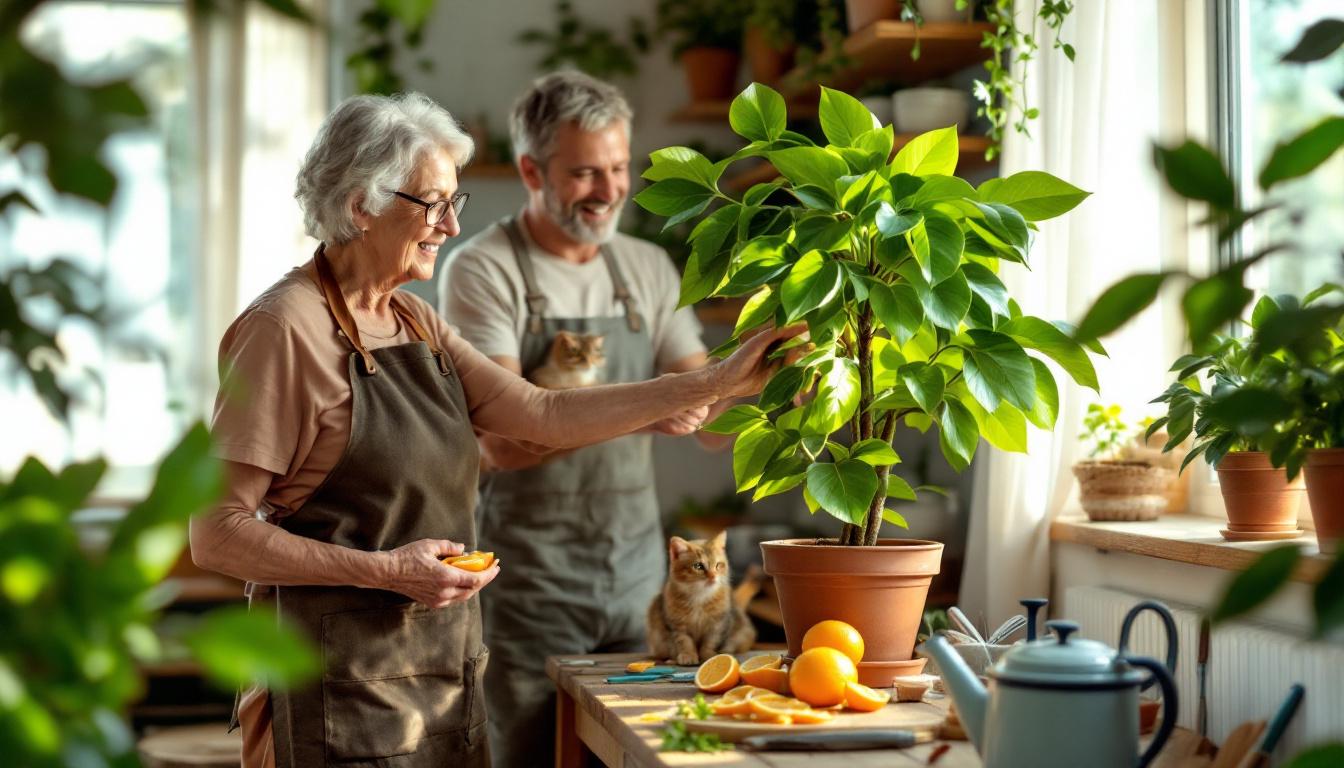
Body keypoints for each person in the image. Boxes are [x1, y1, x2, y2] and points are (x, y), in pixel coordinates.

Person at [188, 91, 796, 768]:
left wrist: (714, 383)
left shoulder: (416, 322)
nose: (450, 226)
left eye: (456, 204)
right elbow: (215, 532)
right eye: (433, 203)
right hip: (333, 693)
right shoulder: (283, 329)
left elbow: (540, 414)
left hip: (435, 677)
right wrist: (384, 572)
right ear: (362, 205)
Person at [437, 71, 733, 768]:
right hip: (530, 590)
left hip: (643, 588)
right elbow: (507, 439)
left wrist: (778, 383)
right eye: (585, 173)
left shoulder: (648, 268)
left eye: (620, 167)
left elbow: (710, 415)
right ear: (530, 170)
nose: (609, 190)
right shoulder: (482, 270)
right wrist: (656, 404)